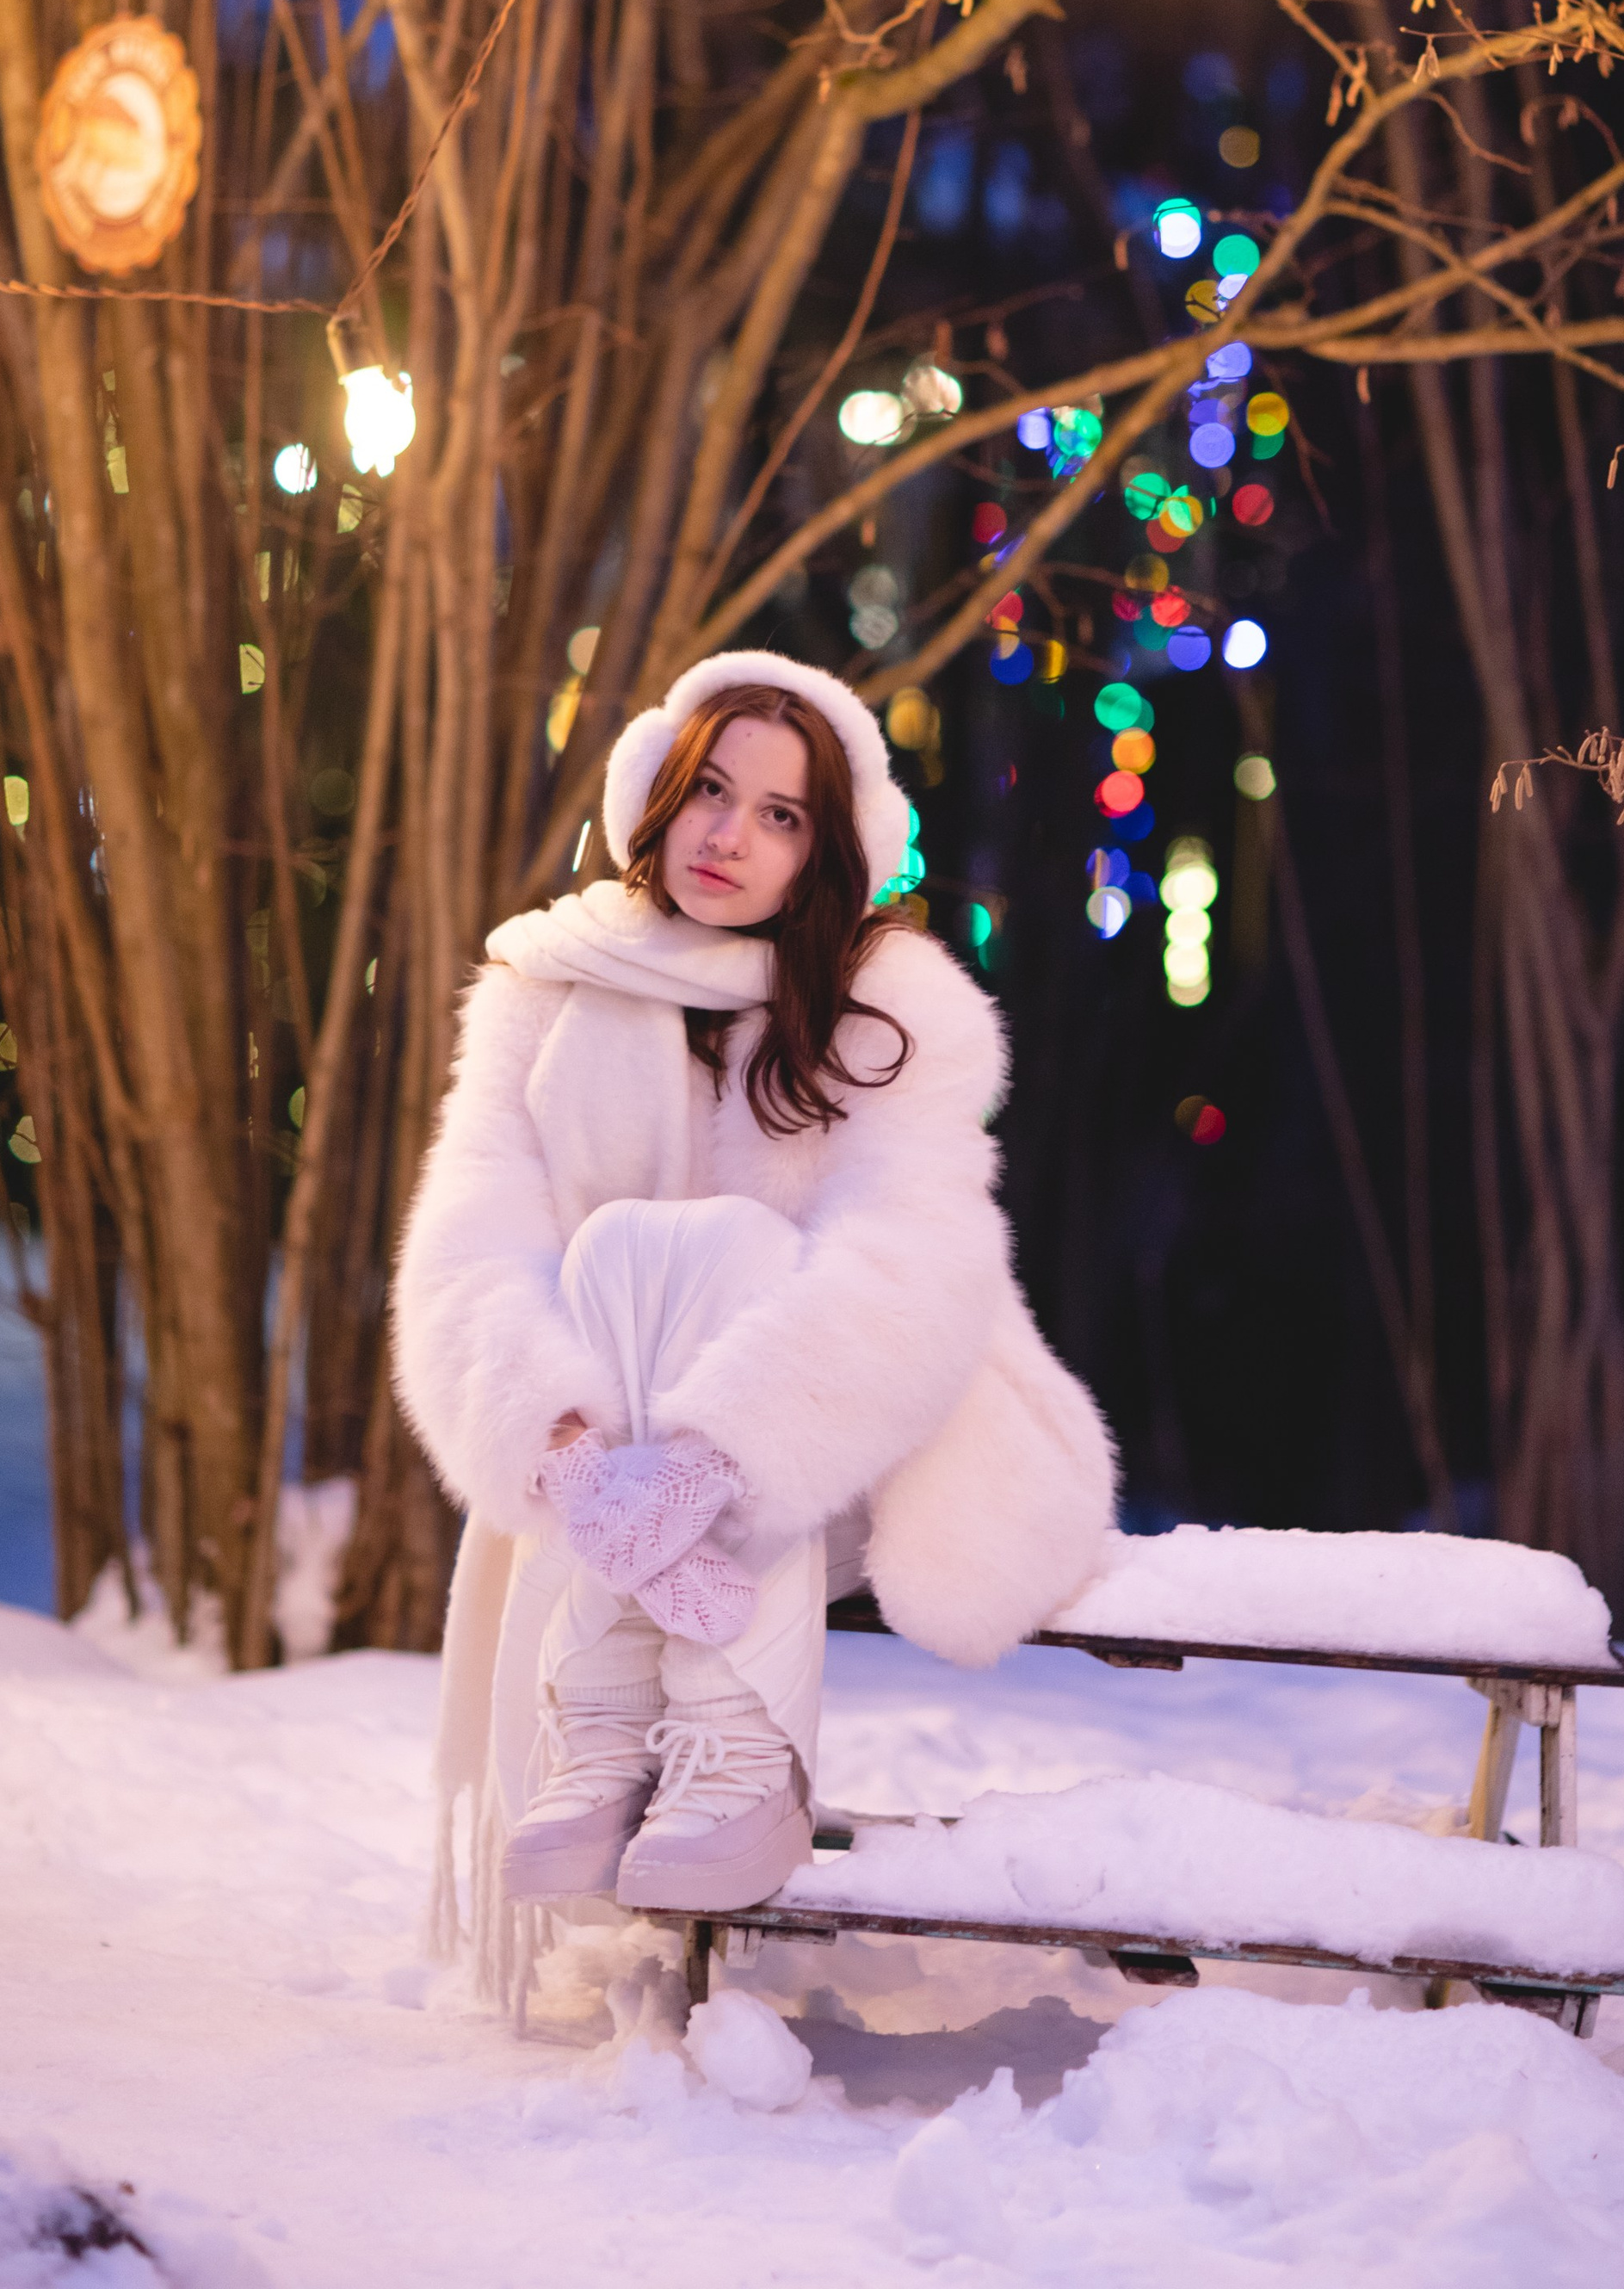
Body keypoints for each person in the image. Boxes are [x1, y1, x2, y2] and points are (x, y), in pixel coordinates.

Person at [392, 648, 1116, 1977]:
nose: (729, 836)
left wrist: (717, 1455)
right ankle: (605, 1727)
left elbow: (913, 1265)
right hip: (600, 1474)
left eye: (780, 815)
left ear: (823, 852)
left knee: (726, 1245)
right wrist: (560, 1446)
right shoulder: (546, 987)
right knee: (611, 1249)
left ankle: (743, 1756)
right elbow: (468, 1245)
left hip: (839, 1458)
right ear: (653, 798)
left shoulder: (888, 1009)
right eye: (710, 792)